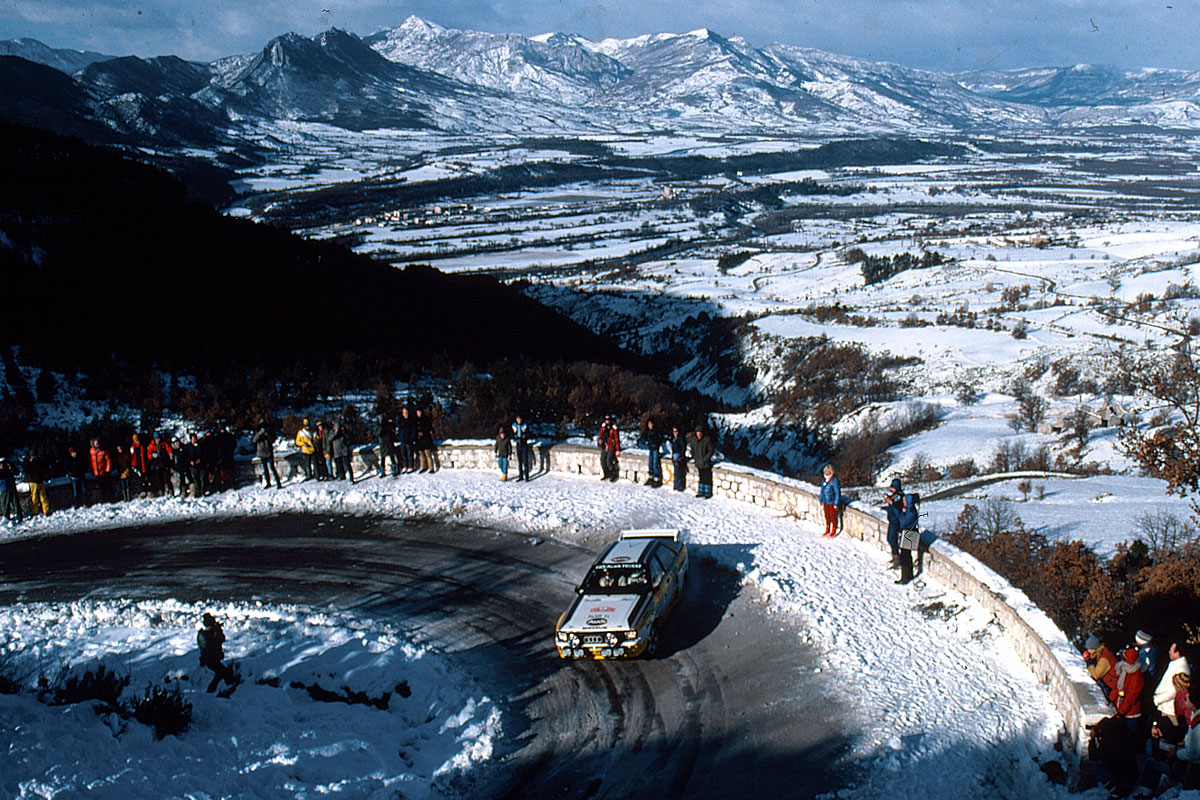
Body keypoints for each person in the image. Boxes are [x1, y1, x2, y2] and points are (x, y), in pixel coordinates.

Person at [197, 613, 239, 694]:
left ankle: (214, 690)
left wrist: (218, 631)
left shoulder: (210, 633)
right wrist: (215, 633)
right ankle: (226, 687)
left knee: (221, 673)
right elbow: (209, 645)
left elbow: (221, 639)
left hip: (213, 659)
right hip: (209, 659)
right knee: (223, 672)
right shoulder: (203, 635)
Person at [882, 477, 904, 569]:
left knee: (892, 539)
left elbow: (897, 507)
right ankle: (895, 556)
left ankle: (896, 559)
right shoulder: (895, 495)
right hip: (892, 520)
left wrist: (891, 502)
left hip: (896, 522)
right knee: (890, 539)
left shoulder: (899, 496)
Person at [253, 419, 282, 489]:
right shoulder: (257, 433)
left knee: (272, 467)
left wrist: (267, 434)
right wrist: (260, 433)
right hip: (262, 453)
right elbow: (254, 440)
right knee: (265, 469)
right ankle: (268, 482)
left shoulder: (269, 431)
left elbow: (273, 439)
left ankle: (278, 483)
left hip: (269, 452)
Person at [689, 426, 715, 499]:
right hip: (698, 462)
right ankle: (701, 491)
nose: (699, 435)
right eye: (697, 433)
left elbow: (711, 450)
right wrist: (695, 457)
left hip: (705, 463)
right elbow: (692, 449)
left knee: (707, 478)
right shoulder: (694, 440)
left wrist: (705, 459)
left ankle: (707, 492)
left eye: (700, 433)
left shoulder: (706, 440)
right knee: (701, 477)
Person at [24, 452, 50, 517]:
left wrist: (44, 477)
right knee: (34, 497)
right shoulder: (27, 462)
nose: (34, 457)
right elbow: (26, 470)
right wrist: (29, 462)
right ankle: (35, 511)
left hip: (39, 480)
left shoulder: (39, 461)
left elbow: (43, 469)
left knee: (43, 496)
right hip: (33, 481)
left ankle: (46, 510)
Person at [819, 464, 841, 537]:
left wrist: (836, 503)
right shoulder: (824, 479)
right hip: (825, 501)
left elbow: (837, 492)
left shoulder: (834, 480)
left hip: (832, 501)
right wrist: (821, 499)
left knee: (833, 516)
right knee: (827, 516)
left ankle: (834, 530)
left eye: (829, 471)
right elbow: (822, 491)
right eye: (826, 471)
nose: (827, 472)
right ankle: (827, 529)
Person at [89, 438, 113, 503]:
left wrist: (107, 470)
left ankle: (110, 498)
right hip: (96, 472)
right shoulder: (91, 451)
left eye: (98, 443)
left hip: (104, 471)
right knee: (100, 486)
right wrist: (91, 469)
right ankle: (103, 499)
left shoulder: (103, 451)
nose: (97, 444)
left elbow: (108, 461)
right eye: (96, 443)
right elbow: (91, 461)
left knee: (107, 485)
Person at [641, 419, 664, 487]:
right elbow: (644, 438)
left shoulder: (656, 431)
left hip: (655, 448)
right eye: (648, 424)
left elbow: (660, 439)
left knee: (655, 464)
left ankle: (656, 480)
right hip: (651, 448)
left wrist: (656, 444)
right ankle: (650, 478)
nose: (649, 425)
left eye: (650, 424)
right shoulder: (647, 431)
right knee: (650, 464)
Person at [598, 415, 620, 482]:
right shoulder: (603, 427)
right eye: (606, 420)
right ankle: (606, 473)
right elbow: (600, 435)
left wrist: (617, 450)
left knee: (609, 460)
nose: (607, 421)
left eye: (608, 420)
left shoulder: (613, 429)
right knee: (602, 460)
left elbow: (616, 440)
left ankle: (613, 474)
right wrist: (600, 440)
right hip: (604, 446)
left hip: (611, 446)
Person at [375, 412, 398, 478]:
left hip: (389, 442)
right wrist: (381, 427)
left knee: (392, 456)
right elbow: (377, 434)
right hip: (383, 443)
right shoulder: (378, 426)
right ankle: (382, 472)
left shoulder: (388, 424)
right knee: (383, 458)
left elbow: (392, 429)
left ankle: (394, 470)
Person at [0, 458, 22, 524]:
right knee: (5, 505)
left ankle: (19, 516)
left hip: (12, 487)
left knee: (15, 503)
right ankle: (6, 517)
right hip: (4, 488)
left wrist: (11, 467)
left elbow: (17, 472)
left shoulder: (9, 467)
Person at [415, 408, 436, 473]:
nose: (419, 413)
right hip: (419, 440)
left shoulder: (426, 419)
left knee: (428, 454)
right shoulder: (415, 420)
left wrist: (423, 432)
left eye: (419, 412)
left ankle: (431, 468)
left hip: (426, 439)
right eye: (417, 412)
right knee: (421, 454)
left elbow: (429, 428)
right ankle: (423, 467)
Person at [512, 414, 531, 482]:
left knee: (525, 461)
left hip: (524, 444)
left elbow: (528, 433)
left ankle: (526, 476)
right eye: (518, 419)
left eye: (520, 419)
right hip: (518, 444)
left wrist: (525, 436)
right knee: (519, 461)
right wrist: (515, 438)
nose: (519, 420)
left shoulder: (525, 425)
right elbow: (512, 434)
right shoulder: (514, 425)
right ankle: (521, 476)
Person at [397, 407, 417, 473]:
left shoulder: (411, 420)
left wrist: (412, 438)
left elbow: (414, 430)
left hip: (409, 440)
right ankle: (405, 466)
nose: (406, 414)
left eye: (407, 413)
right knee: (403, 454)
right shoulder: (400, 421)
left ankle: (411, 466)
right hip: (402, 440)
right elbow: (398, 429)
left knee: (409, 454)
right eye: (404, 413)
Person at [670, 424, 688, 492]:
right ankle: (676, 486)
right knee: (676, 472)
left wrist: (680, 455)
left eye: (676, 431)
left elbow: (683, 448)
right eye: (673, 431)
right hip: (675, 456)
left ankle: (679, 486)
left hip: (679, 457)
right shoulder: (674, 439)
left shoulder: (680, 438)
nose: (674, 433)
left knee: (679, 472)